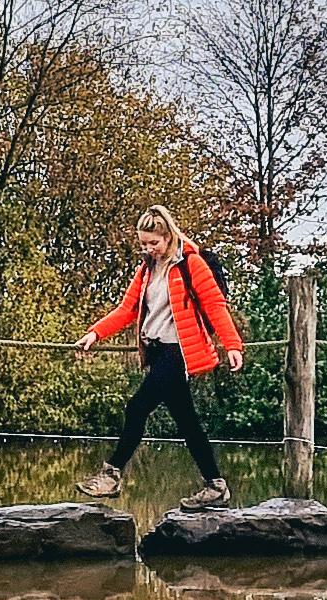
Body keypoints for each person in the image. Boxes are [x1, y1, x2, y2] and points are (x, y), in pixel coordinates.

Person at [73, 204, 244, 506]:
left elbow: (215, 305)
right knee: (187, 421)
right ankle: (216, 485)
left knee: (136, 408)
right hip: (156, 351)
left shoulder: (191, 264)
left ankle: (111, 475)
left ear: (168, 236)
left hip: (178, 352)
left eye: (154, 242)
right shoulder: (147, 270)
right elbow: (127, 310)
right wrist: (95, 333)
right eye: (143, 243)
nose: (149, 249)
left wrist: (232, 344)